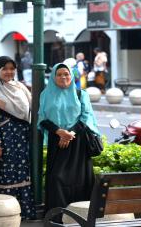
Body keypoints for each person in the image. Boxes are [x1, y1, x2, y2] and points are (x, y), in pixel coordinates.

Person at [38, 63, 100, 223]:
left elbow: (86, 116)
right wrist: (60, 132)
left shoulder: (81, 94)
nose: (63, 77)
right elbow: (42, 118)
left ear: (72, 76)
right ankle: (57, 219)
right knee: (56, 179)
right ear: (53, 77)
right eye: (59, 74)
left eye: (66, 74)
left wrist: (69, 134)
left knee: (81, 180)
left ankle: (81, 219)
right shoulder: (45, 94)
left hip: (79, 142)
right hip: (57, 141)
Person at [0, 56, 36, 219]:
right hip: (5, 141)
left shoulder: (19, 87)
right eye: (5, 69)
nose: (9, 72)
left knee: (22, 175)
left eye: (12, 68)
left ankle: (23, 213)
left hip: (23, 139)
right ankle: (3, 215)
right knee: (5, 176)